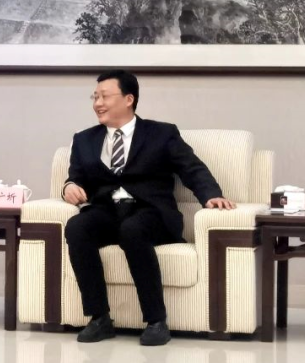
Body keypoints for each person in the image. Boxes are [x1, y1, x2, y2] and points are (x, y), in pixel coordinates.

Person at [62, 70, 235, 346]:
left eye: (104, 96)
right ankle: (99, 318)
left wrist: (211, 196)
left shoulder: (161, 133)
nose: (97, 103)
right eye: (94, 97)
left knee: (133, 230)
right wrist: (69, 186)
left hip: (152, 212)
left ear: (128, 99)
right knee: (77, 227)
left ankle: (156, 321)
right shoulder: (84, 140)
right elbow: (76, 177)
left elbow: (191, 168)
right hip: (108, 211)